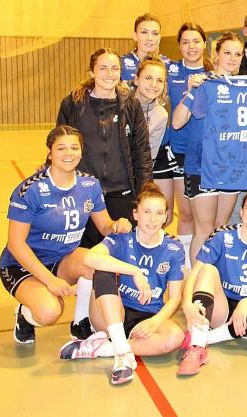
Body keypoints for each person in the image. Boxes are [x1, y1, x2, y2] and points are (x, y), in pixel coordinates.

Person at [172, 32, 247, 264]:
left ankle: (214, 281)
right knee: (204, 229)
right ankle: (196, 284)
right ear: (216, 55)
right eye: (227, 53)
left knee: (220, 229)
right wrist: (191, 91)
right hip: (201, 166)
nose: (232, 58)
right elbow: (177, 123)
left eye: (238, 54)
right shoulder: (205, 84)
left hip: (231, 169)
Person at [0, 125, 131, 344]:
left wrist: (117, 225)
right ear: (50, 153)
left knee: (97, 265)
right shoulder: (30, 190)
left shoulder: (89, 184)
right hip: (22, 265)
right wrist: (49, 280)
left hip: (62, 259)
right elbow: (15, 244)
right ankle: (24, 314)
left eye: (74, 148)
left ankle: (80, 323)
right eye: (61, 148)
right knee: (49, 312)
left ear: (81, 151)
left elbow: (105, 225)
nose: (68, 154)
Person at [57, 48, 152, 339]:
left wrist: (144, 190)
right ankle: (80, 319)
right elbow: (61, 146)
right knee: (88, 258)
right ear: (92, 72)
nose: (110, 74)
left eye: (115, 69)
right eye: (103, 69)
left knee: (118, 256)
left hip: (122, 193)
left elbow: (141, 150)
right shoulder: (74, 103)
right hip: (85, 194)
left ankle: (116, 314)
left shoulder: (130, 104)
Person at [58, 182, 185, 385]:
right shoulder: (123, 239)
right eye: (146, 212)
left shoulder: (174, 247)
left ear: (165, 217)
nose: (152, 219)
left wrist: (156, 321)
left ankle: (104, 349)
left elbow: (176, 297)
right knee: (103, 269)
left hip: (147, 317)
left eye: (159, 213)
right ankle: (122, 351)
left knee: (175, 338)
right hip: (111, 312)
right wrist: (134, 271)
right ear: (135, 214)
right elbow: (90, 258)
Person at [177, 190, 247, 375]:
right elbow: (195, 274)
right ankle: (196, 349)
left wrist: (245, 303)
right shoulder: (222, 235)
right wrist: (186, 302)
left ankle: (204, 338)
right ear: (241, 212)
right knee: (208, 270)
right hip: (221, 308)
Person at [168, 22, 213, 263]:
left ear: (205, 44)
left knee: (203, 217)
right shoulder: (170, 72)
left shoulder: (214, 74)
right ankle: (184, 265)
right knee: (184, 212)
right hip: (179, 149)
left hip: (205, 153)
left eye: (196, 41)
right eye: (185, 42)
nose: (191, 46)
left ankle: (204, 265)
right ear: (179, 46)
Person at [133, 57, 176, 228]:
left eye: (159, 80)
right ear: (136, 80)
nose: (153, 84)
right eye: (148, 78)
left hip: (136, 175)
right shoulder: (120, 104)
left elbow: (147, 156)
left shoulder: (160, 115)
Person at [120, 13, 171, 82]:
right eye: (144, 32)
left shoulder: (169, 65)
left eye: (155, 33)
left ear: (159, 38)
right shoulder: (121, 64)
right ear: (135, 36)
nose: (149, 38)